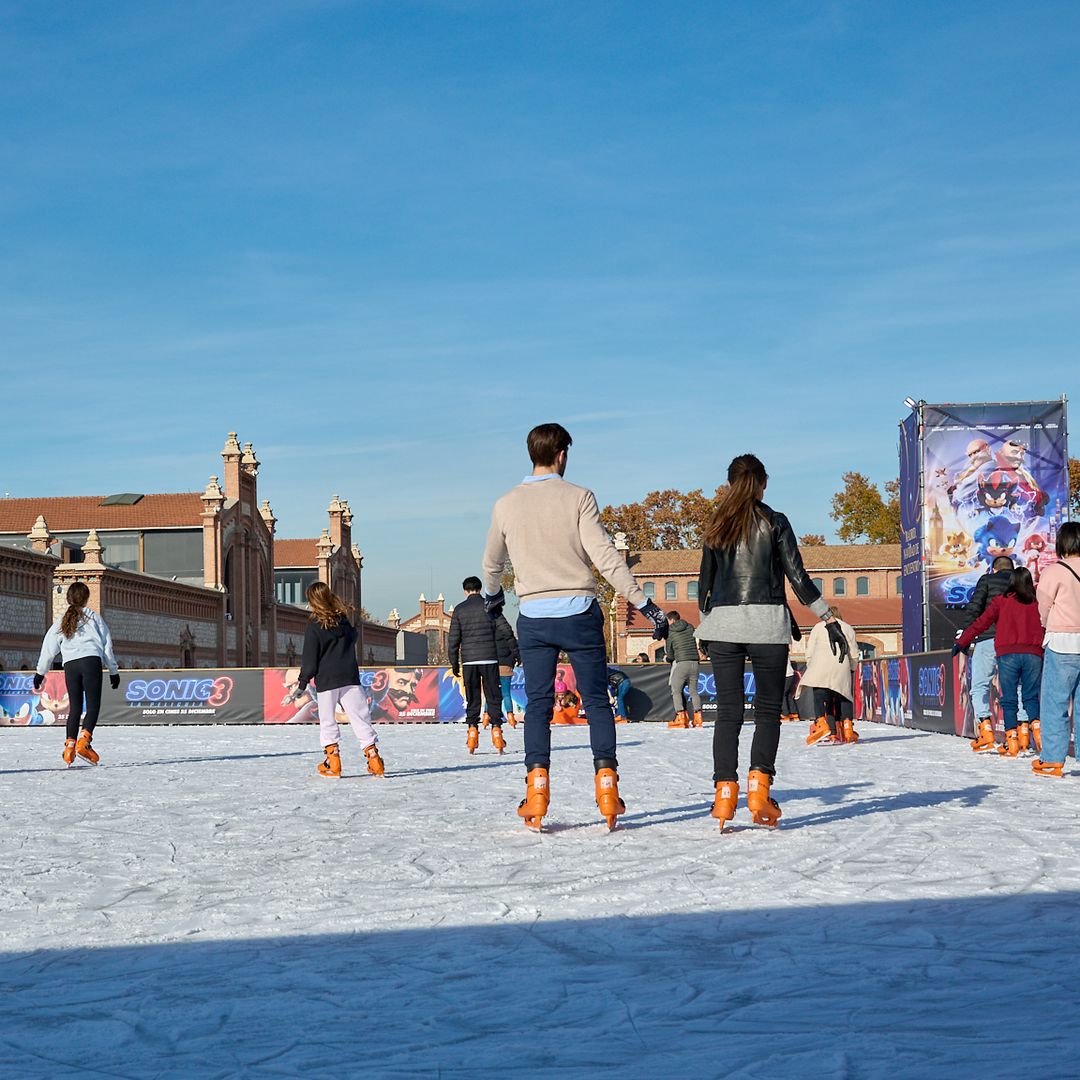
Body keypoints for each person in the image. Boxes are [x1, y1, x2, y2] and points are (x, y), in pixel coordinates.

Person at [482, 422, 668, 830]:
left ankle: (536, 791)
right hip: (580, 612)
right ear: (562, 454)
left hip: (533, 616)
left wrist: (494, 597)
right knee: (597, 701)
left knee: (538, 704)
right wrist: (644, 603)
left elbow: (491, 563)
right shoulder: (579, 497)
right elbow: (604, 556)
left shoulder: (506, 504)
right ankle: (606, 788)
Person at [695, 454, 847, 830]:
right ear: (763, 483)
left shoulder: (716, 525)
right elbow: (798, 578)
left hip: (724, 627)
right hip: (767, 626)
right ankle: (759, 790)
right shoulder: (775, 521)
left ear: (729, 485)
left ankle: (724, 794)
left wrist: (706, 627)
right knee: (766, 711)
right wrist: (828, 617)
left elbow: (704, 589)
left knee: (728, 713)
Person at [295, 582, 384, 778]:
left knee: (328, 720)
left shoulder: (315, 626)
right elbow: (354, 636)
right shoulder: (343, 621)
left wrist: (302, 683)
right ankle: (374, 759)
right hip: (349, 677)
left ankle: (333, 763)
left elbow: (309, 660)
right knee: (361, 719)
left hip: (327, 680)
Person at [954, 567, 1043, 758]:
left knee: (987, 689)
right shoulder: (1036, 601)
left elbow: (979, 618)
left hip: (1004, 649)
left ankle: (990, 734)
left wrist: (963, 640)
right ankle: (1030, 736)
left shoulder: (999, 597)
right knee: (1028, 695)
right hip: (1033, 653)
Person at [34, 582, 119, 766]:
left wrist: (40, 673)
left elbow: (48, 649)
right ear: (87, 599)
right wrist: (113, 670)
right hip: (91, 662)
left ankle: (69, 747)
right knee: (93, 706)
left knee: (75, 708)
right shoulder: (94, 618)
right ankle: (84, 742)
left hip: (71, 665)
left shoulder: (60, 621)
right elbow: (106, 646)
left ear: (68, 599)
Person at [1031, 522, 1080, 777]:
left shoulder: (1054, 571)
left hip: (1062, 642)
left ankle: (1052, 759)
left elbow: (1043, 606)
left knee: (1055, 703)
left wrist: (1046, 625)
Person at [960, 555, 1019, 751]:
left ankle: (985, 731)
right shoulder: (1021, 582)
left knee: (980, 685)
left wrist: (967, 634)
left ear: (993, 569)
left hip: (987, 638)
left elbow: (975, 607)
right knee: (1016, 686)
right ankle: (1021, 732)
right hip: (1013, 640)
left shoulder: (986, 580)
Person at [448, 576, 506, 754]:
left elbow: (453, 640)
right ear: (480, 589)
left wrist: (455, 663)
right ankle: (496, 732)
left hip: (469, 661)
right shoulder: (490, 606)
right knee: (493, 696)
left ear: (465, 591)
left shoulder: (459, 610)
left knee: (473, 697)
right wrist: (515, 650)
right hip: (489, 658)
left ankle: (472, 732)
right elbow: (505, 629)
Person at [799, 606, 859, 746]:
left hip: (820, 664)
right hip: (841, 664)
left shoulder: (818, 627)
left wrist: (811, 665)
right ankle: (847, 727)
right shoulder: (847, 628)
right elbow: (854, 653)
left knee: (821, 696)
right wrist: (851, 669)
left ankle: (823, 724)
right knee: (844, 696)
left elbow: (810, 650)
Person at [665, 609, 703, 728]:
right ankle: (698, 718)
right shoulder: (690, 627)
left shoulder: (671, 630)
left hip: (682, 663)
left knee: (676, 690)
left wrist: (668, 658)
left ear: (671, 620)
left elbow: (670, 650)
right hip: (695, 662)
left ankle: (681, 717)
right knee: (693, 691)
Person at [493, 612, 520, 728]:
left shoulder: (491, 635)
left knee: (492, 694)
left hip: (493, 667)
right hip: (506, 666)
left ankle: (486, 716)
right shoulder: (509, 636)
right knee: (506, 693)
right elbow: (515, 649)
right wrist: (515, 660)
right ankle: (511, 717)